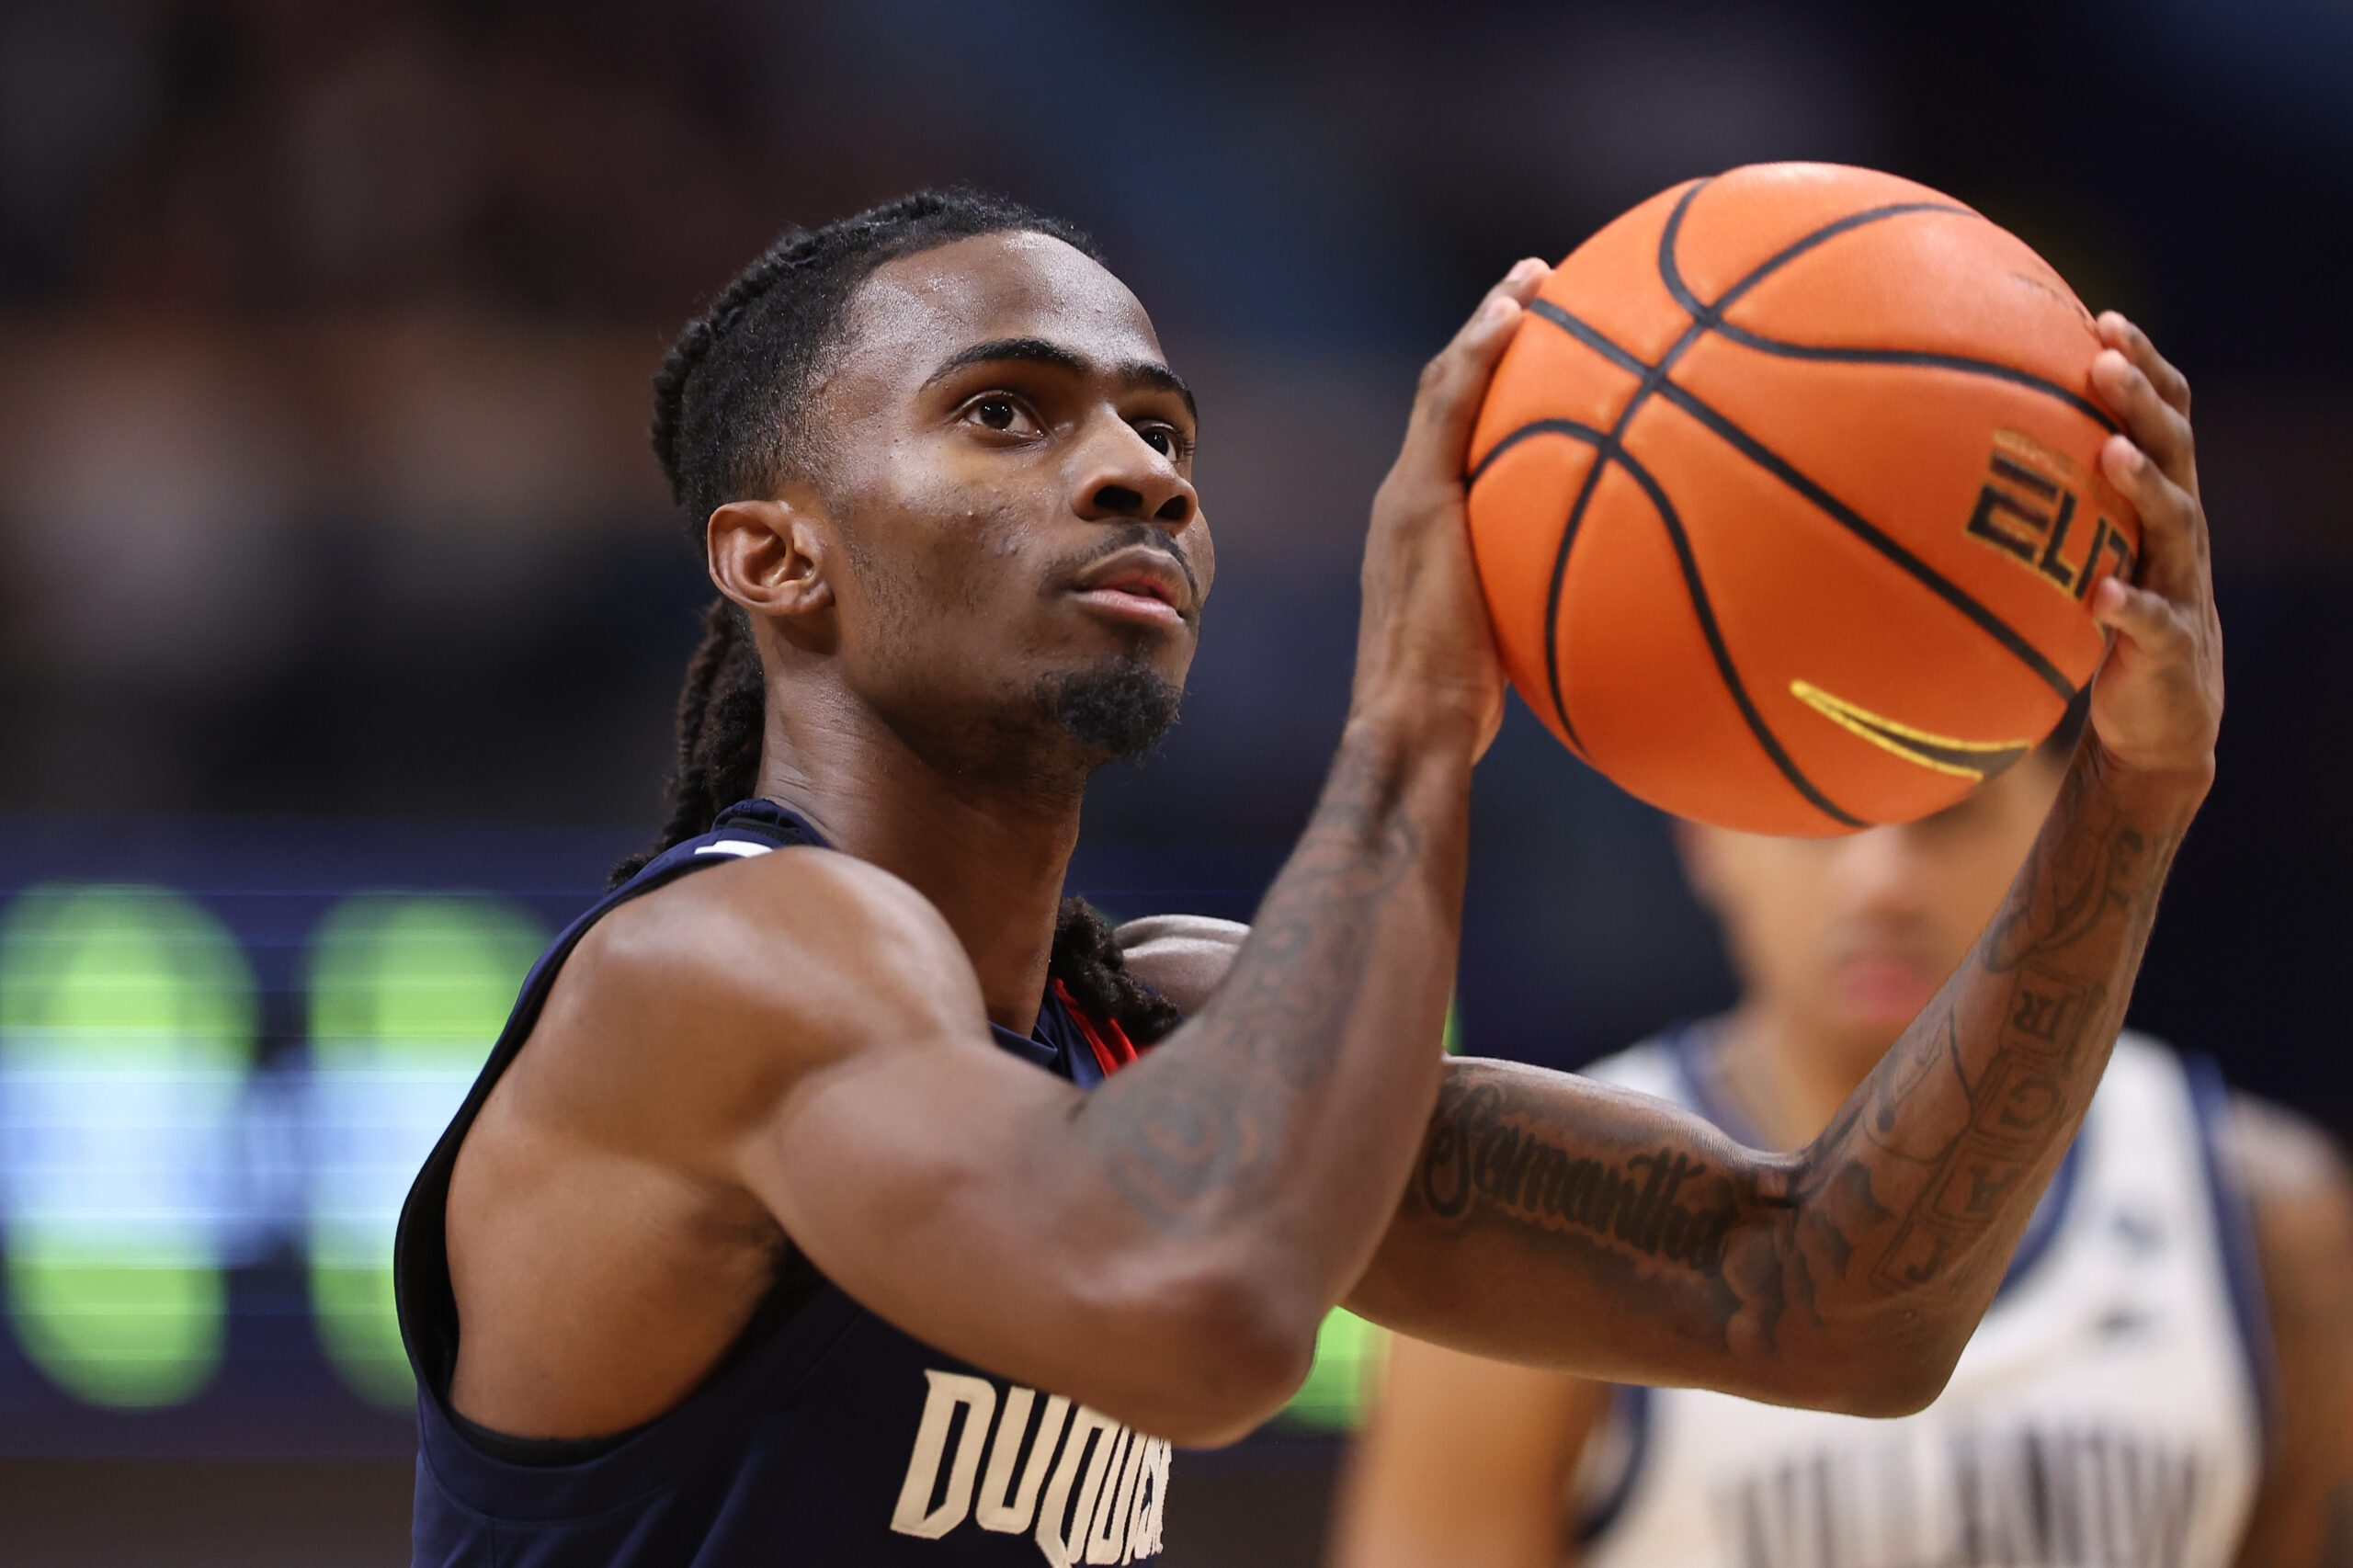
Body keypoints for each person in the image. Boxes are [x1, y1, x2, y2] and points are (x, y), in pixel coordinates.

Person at [392, 187, 2226, 1566]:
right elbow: (1198, 1313)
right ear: (775, 559)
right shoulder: (721, 960)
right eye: (1006, 413)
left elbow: (1826, 1295)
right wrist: (1417, 720)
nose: (1132, 474)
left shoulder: (1162, 1024)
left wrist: (2128, 798)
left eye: (1162, 429)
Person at [1331, 716, 2353, 1567]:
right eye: (1815, 816)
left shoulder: (2262, 1210)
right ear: (1705, 833)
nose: (1880, 884)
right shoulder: (1525, 1224)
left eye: (1946, 813)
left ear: (2061, 822)